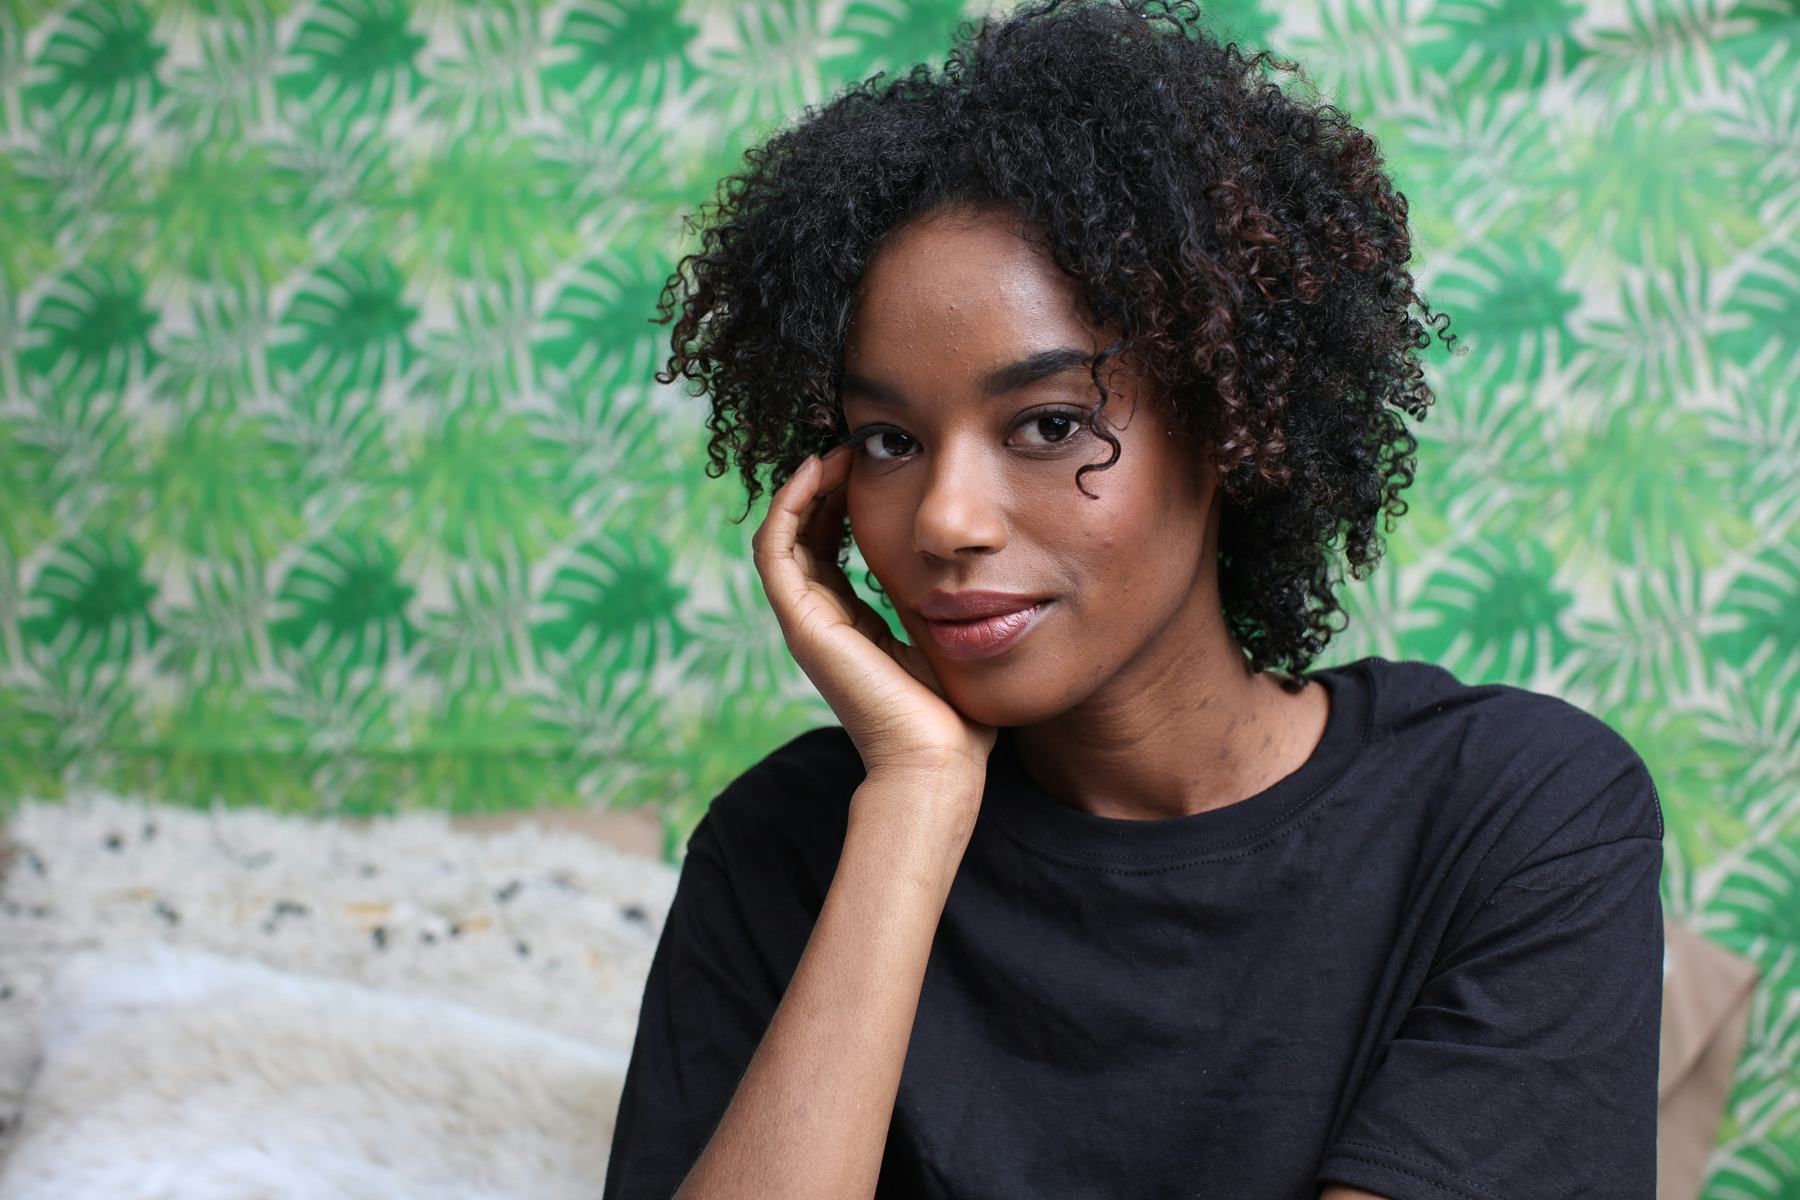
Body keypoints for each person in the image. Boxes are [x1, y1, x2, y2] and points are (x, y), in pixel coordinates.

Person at [603, 1, 1665, 1196]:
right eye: (889, 441)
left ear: (1228, 425)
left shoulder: (1516, 814)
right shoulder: (783, 848)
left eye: (1049, 424)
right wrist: (913, 805)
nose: (946, 520)